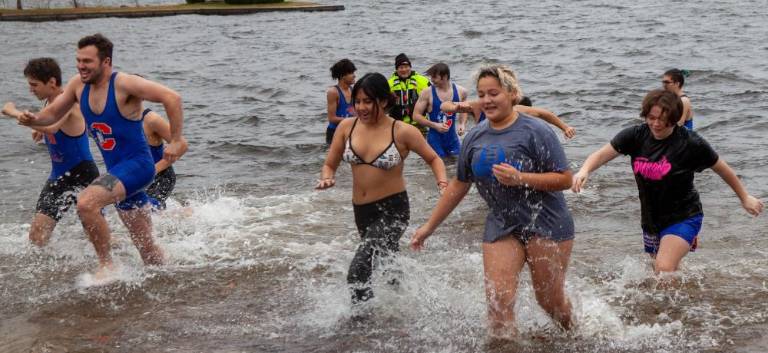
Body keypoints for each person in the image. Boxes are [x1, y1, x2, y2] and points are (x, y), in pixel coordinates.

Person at [411, 65, 575, 338]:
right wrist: (428, 227)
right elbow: (460, 184)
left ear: (512, 94)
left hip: (546, 222)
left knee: (550, 302)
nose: (487, 100)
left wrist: (521, 178)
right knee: (498, 303)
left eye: (494, 93)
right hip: (502, 223)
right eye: (482, 94)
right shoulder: (475, 136)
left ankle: (578, 339)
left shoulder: (536, 130)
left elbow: (565, 179)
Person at [17, 33, 186, 277]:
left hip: (138, 166)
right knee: (147, 251)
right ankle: (179, 275)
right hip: (118, 172)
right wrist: (32, 119)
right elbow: (51, 116)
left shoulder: (124, 84)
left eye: (87, 61)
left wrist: (177, 139)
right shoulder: (77, 85)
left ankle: (107, 266)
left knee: (86, 203)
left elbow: (172, 97)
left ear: (106, 62)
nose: (81, 66)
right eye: (78, 60)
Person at [572, 89, 763, 275]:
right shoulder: (636, 135)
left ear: (673, 118)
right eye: (651, 118)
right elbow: (601, 155)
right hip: (651, 219)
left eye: (662, 120)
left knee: (663, 268)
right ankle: (680, 302)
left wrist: (744, 197)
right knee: (659, 272)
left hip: (685, 215)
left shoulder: (690, 143)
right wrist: (584, 170)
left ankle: (673, 292)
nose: (655, 124)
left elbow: (722, 168)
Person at [317, 72, 448, 304]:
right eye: (357, 101)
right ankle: (403, 302)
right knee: (386, 260)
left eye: (368, 101)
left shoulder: (402, 131)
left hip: (393, 209)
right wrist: (327, 178)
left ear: (384, 101)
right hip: (362, 210)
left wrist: (442, 182)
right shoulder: (346, 127)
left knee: (358, 270)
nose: (361, 107)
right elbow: (329, 164)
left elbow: (434, 159)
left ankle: (362, 322)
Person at [2, 57, 99, 247]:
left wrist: (12, 111)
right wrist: (37, 127)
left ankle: (125, 254)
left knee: (95, 236)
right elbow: (45, 122)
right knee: (36, 236)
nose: (31, 89)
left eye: (34, 84)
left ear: (52, 82)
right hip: (59, 175)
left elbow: (52, 127)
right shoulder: (49, 103)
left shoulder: (69, 103)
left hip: (83, 173)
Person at [441, 97, 576, 139]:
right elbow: (444, 105)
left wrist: (565, 127)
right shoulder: (479, 106)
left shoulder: (516, 109)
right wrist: (455, 108)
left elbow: (543, 113)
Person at [412, 63, 468, 158]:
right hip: (434, 140)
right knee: (438, 162)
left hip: (452, 139)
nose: (432, 80)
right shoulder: (427, 93)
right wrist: (435, 125)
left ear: (445, 77)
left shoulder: (461, 91)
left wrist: (462, 124)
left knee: (458, 163)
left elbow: (464, 109)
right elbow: (416, 116)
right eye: (431, 77)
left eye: (434, 77)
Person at [142, 108, 188, 210]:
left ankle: (187, 217)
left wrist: (153, 170)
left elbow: (182, 145)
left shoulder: (151, 119)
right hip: (136, 178)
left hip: (160, 177)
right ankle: (178, 212)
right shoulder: (118, 121)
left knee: (147, 211)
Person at [387, 53, 430, 134]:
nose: (404, 70)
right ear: (396, 69)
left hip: (419, 125)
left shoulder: (423, 81)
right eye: (401, 67)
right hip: (397, 125)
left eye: (406, 67)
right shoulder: (389, 84)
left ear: (410, 67)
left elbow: (434, 98)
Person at [325, 59, 356, 145]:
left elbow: (353, 111)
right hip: (335, 132)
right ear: (343, 76)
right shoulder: (333, 92)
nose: (354, 76)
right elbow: (332, 118)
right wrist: (354, 120)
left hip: (350, 131)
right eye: (351, 73)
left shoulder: (353, 90)